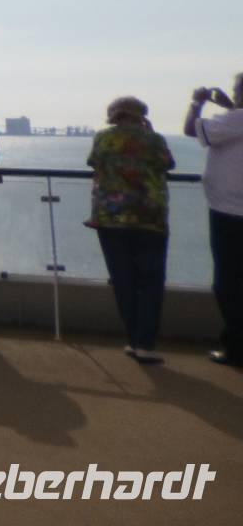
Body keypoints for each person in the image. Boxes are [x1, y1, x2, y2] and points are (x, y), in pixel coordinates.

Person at [86, 96, 175, 364]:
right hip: (149, 217)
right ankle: (145, 342)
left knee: (123, 280)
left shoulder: (103, 139)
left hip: (111, 219)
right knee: (150, 281)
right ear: (142, 115)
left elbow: (94, 162)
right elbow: (168, 164)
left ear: (113, 115)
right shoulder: (154, 139)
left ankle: (134, 338)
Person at [185, 72, 243, 367]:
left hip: (230, 213)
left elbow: (190, 130)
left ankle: (236, 348)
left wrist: (197, 102)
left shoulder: (235, 120)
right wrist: (231, 106)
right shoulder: (236, 118)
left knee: (228, 284)